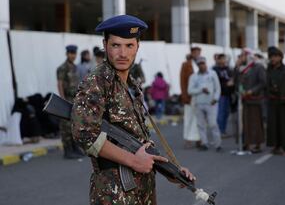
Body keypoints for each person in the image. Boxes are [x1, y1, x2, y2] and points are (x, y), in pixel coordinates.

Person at [71, 15, 194, 205]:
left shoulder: (132, 85)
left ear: (138, 46)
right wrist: (134, 161)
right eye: (115, 45)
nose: (122, 53)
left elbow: (140, 141)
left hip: (143, 189)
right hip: (114, 193)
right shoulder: (97, 81)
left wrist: (171, 170)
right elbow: (84, 134)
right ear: (105, 45)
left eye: (129, 46)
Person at [235, 48, 266, 153]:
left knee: (255, 122)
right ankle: (246, 143)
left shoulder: (258, 67)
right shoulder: (242, 68)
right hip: (244, 99)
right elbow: (236, 81)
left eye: (243, 55)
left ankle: (256, 144)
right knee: (245, 122)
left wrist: (252, 91)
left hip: (254, 99)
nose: (241, 57)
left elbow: (263, 82)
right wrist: (236, 66)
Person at [188, 56, 222, 151]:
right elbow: (190, 90)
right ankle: (204, 143)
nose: (202, 65)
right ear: (198, 65)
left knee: (213, 124)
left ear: (206, 63)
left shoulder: (212, 74)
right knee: (200, 124)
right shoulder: (194, 77)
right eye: (200, 64)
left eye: (203, 63)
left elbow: (218, 88)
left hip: (211, 103)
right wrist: (201, 90)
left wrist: (216, 98)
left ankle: (218, 144)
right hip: (199, 104)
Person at [57, 44, 83, 159]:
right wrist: (62, 100)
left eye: (74, 53)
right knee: (65, 125)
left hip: (75, 99)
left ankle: (74, 147)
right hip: (67, 98)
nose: (73, 56)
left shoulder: (75, 67)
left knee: (74, 124)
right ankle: (67, 150)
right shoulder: (62, 68)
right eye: (71, 53)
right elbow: (60, 84)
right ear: (67, 54)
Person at [266, 47, 285, 155]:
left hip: (284, 101)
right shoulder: (268, 70)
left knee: (283, 125)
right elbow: (266, 84)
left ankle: (284, 147)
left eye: (275, 56)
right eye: (271, 57)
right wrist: (270, 91)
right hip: (272, 100)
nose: (273, 59)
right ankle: (275, 146)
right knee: (273, 124)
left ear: (281, 57)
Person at [180, 47, 202, 148]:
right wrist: (184, 96)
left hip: (200, 96)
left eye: (199, 52)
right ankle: (188, 139)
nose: (197, 54)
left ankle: (199, 138)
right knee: (189, 117)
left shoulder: (202, 64)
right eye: (196, 52)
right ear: (192, 53)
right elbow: (183, 81)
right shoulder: (186, 64)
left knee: (199, 118)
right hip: (189, 95)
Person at [213, 53, 234, 137]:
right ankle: (219, 131)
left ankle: (223, 130)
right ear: (217, 60)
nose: (223, 60)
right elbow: (215, 83)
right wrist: (226, 84)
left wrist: (232, 81)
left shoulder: (228, 69)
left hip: (228, 94)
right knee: (220, 113)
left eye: (224, 59)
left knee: (226, 113)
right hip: (220, 94)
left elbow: (232, 77)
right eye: (221, 59)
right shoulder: (215, 70)